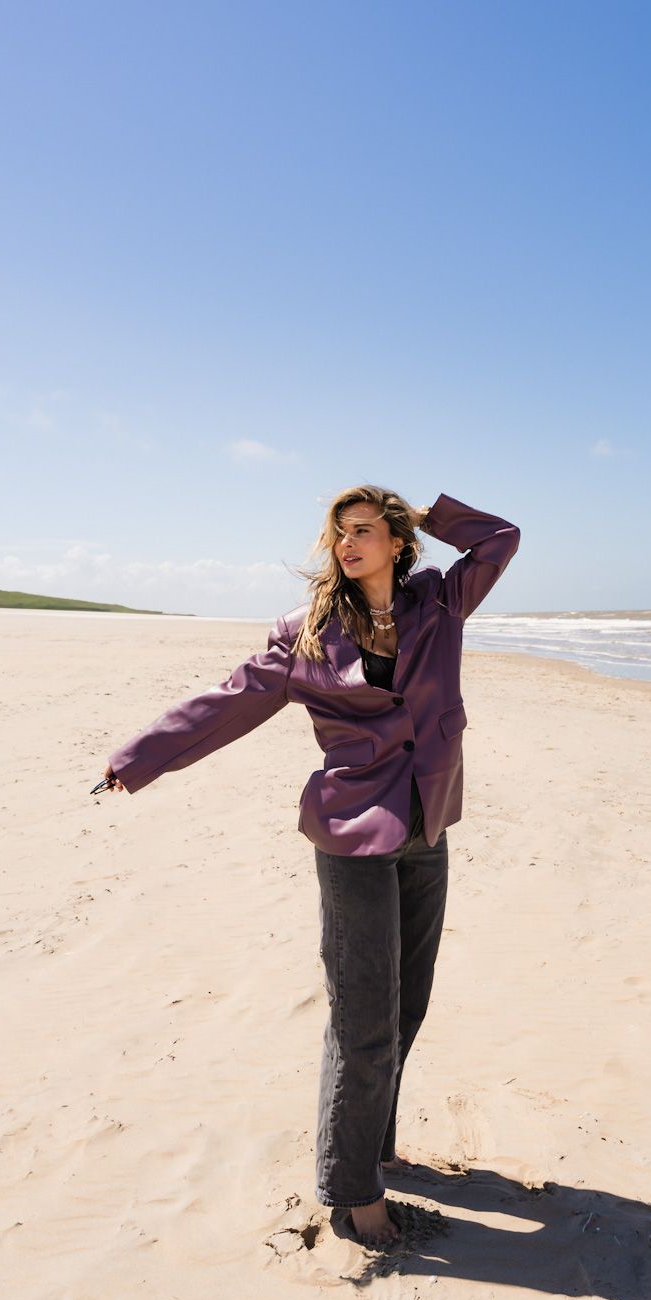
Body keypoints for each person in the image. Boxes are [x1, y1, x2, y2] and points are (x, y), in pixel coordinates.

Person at [100, 487, 520, 1247]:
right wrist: (139, 759)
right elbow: (226, 701)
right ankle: (353, 1194)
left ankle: (376, 1141)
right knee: (364, 1018)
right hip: (353, 831)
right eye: (338, 535)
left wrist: (425, 514)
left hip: (428, 820)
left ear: (395, 542)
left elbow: (498, 538)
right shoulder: (306, 632)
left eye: (363, 532)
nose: (347, 546)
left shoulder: (440, 603)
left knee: (409, 1003)